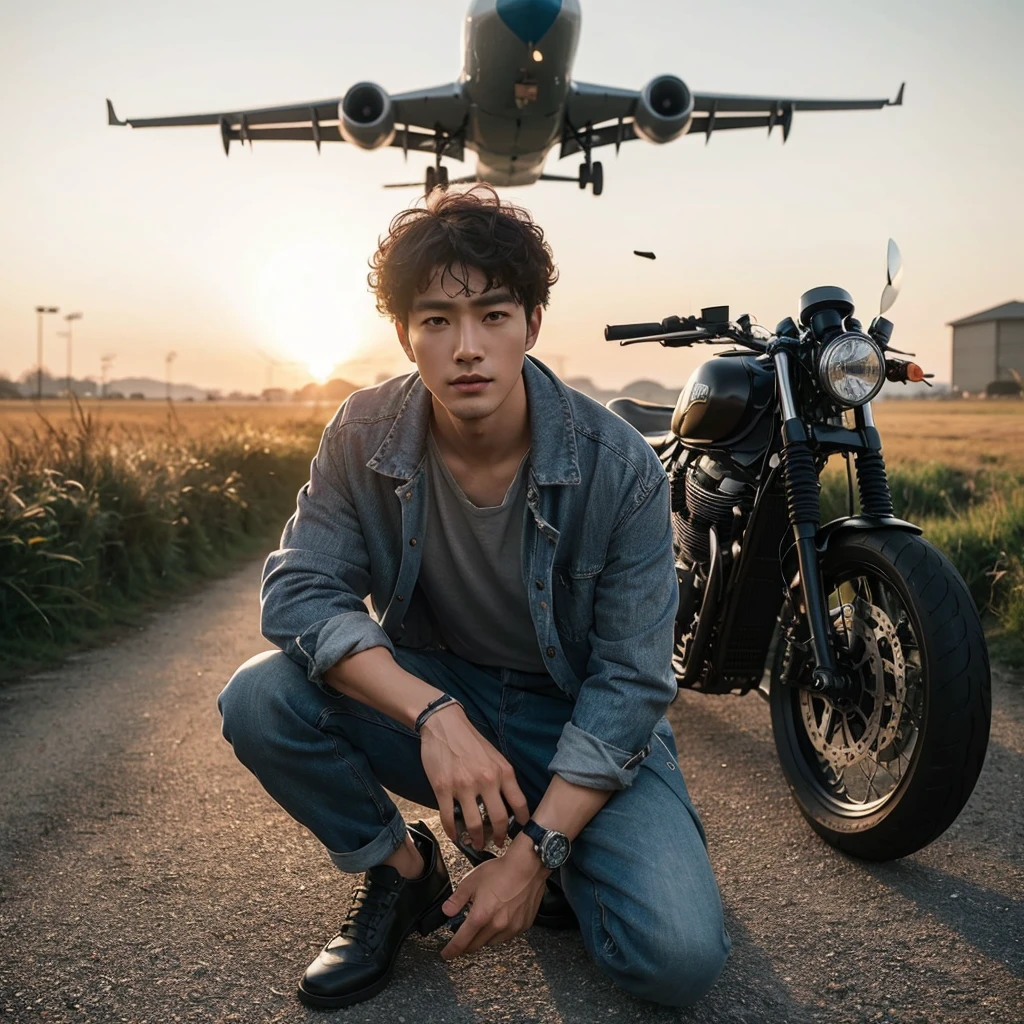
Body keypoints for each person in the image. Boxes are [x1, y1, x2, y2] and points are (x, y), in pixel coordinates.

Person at [217, 184, 730, 1010]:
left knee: (674, 961)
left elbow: (633, 684)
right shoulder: (362, 432)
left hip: (576, 717)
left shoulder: (618, 466)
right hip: (442, 691)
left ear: (531, 322)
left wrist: (532, 860)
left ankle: (570, 847)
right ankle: (404, 874)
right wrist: (433, 715)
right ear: (403, 333)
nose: (466, 348)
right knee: (259, 698)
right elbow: (300, 591)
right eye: (436, 320)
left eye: (493, 315)